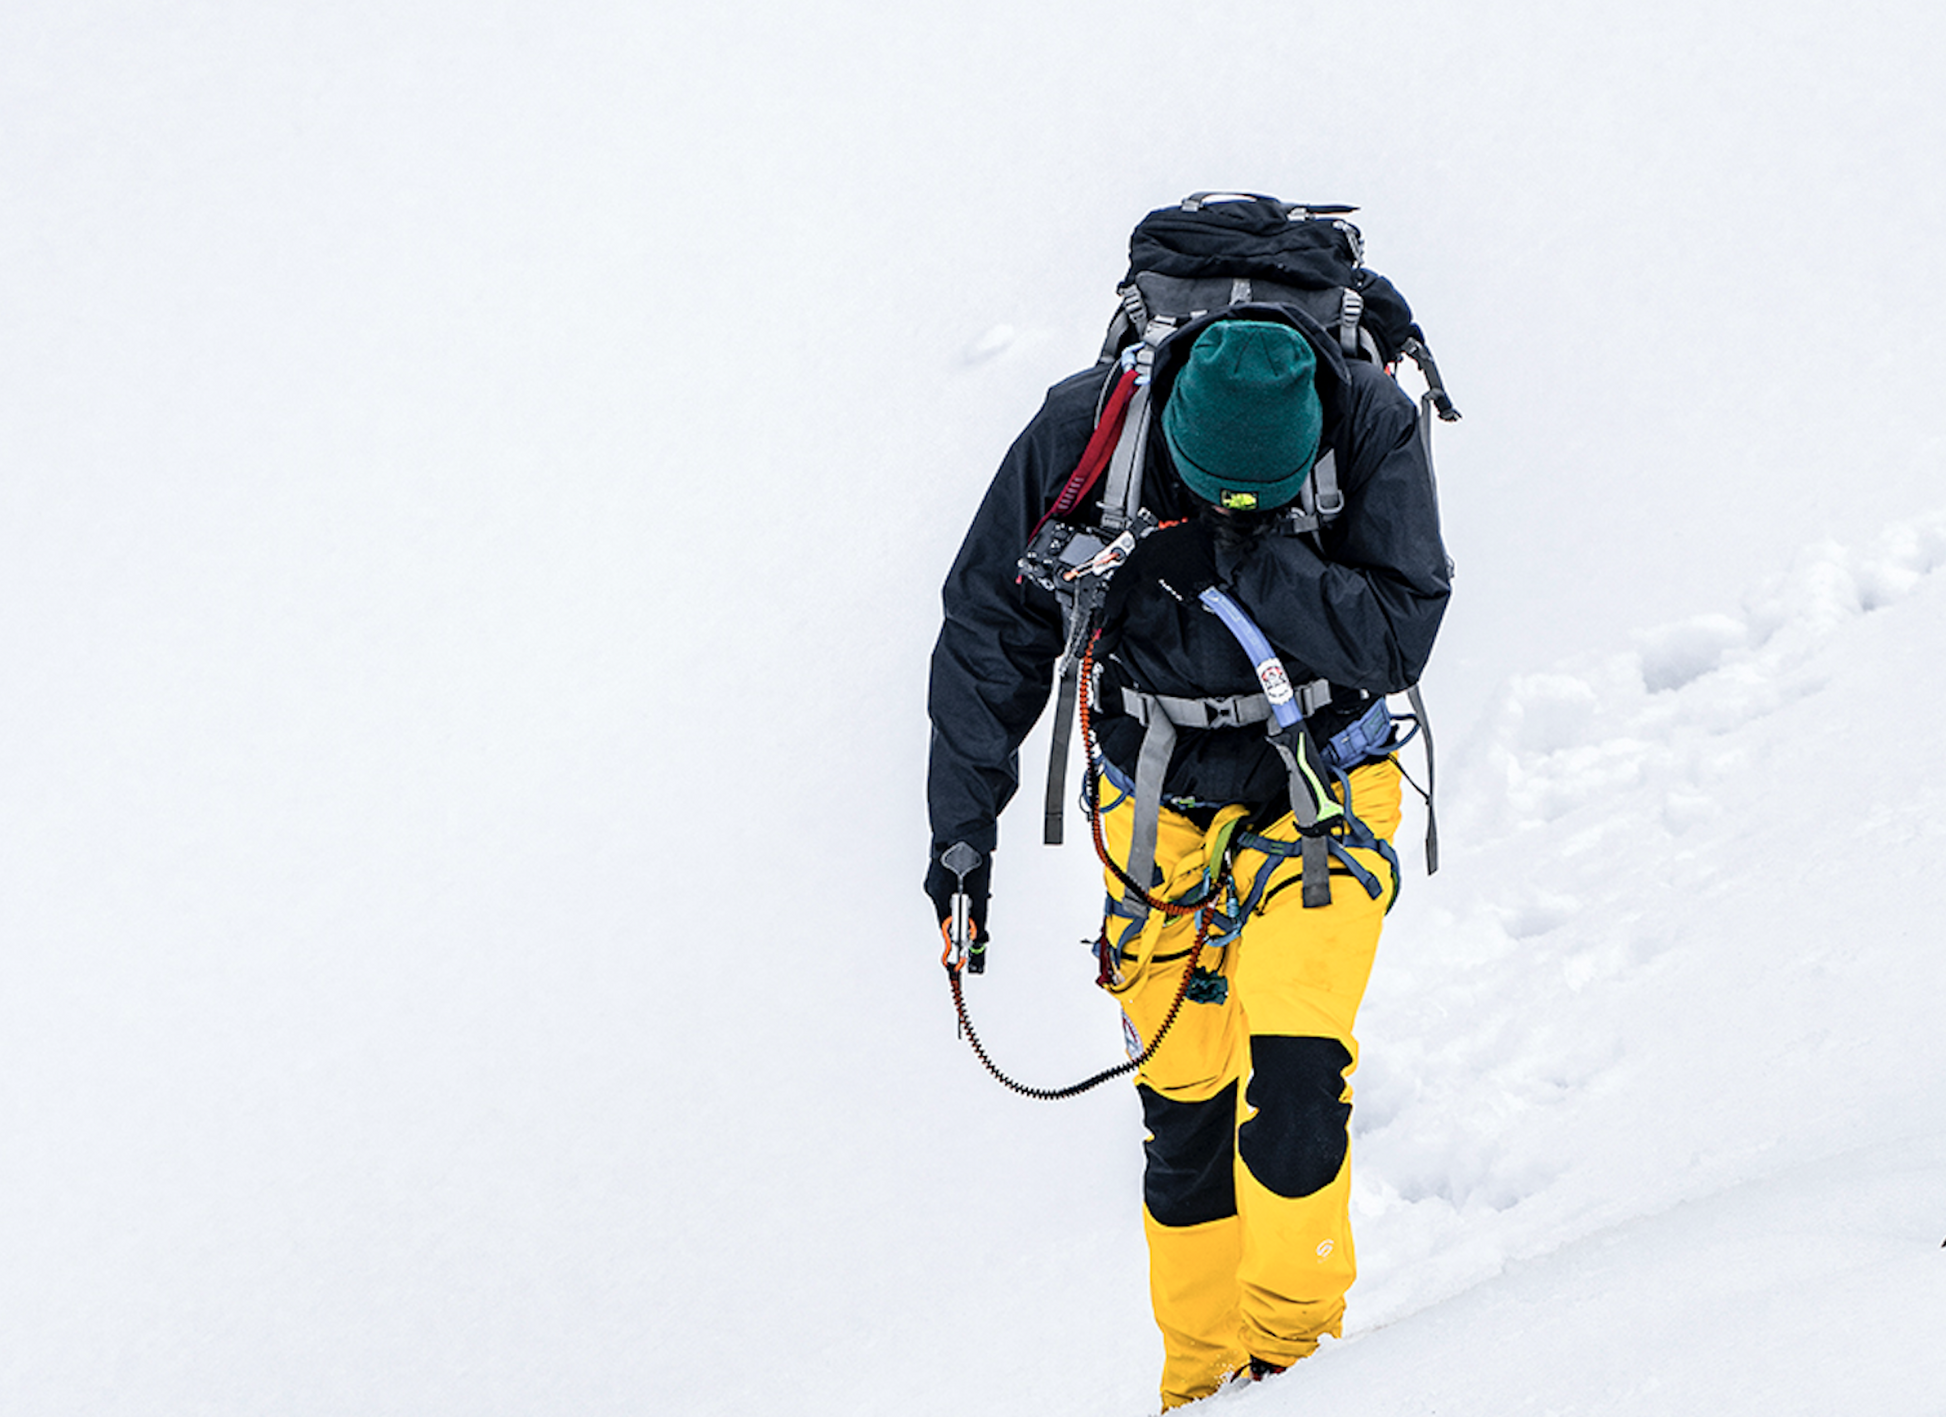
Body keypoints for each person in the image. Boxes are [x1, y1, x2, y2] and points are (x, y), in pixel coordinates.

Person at [925, 298, 1450, 1407]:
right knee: (1182, 1099)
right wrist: (961, 829)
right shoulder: (1085, 430)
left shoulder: (1367, 425)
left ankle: (1298, 1366)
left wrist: (1233, 560)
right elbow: (989, 628)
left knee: (1298, 1070)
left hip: (1322, 784)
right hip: (1153, 795)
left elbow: (1398, 631)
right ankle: (1200, 1380)